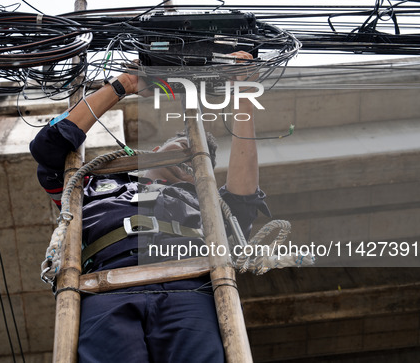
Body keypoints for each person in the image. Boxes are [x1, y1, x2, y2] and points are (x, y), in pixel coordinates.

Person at [30, 51, 270, 362]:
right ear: (156, 151)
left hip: (188, 285)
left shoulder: (207, 203)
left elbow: (243, 194)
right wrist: (124, 84)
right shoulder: (89, 186)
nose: (187, 161)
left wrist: (244, 98)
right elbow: (48, 148)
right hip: (105, 286)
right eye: (180, 149)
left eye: (194, 162)